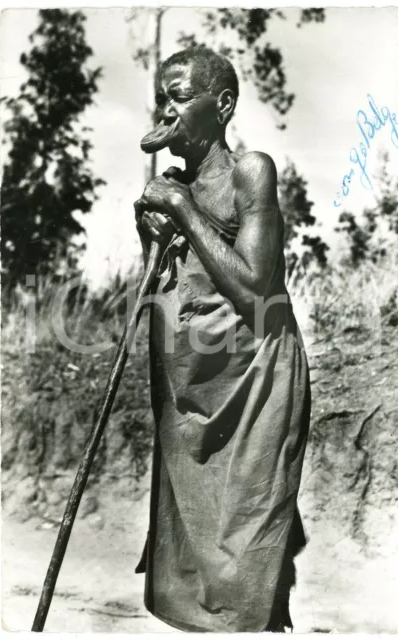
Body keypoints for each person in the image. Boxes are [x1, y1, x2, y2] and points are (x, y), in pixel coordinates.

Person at [133, 46, 311, 633]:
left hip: (254, 384)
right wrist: (149, 237)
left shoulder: (249, 171)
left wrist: (183, 211)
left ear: (223, 105)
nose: (166, 109)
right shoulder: (170, 187)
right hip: (195, 392)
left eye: (179, 96)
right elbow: (163, 299)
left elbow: (259, 290)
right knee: (192, 564)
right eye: (162, 97)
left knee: (246, 551)